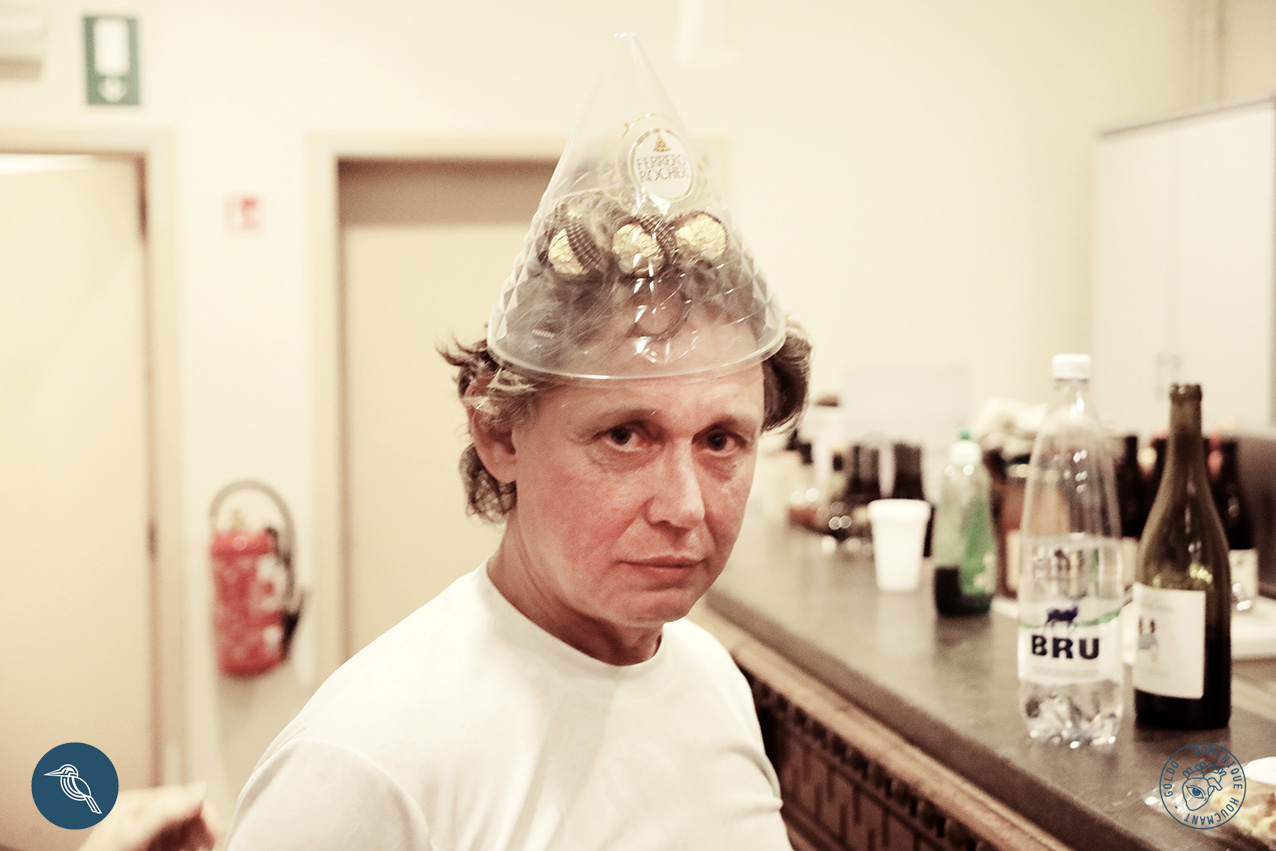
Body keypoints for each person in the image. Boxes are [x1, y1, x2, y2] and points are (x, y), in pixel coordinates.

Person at [225, 33, 810, 849]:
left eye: (720, 439)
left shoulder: (711, 679)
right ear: (499, 431)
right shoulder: (367, 761)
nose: (685, 507)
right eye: (626, 434)